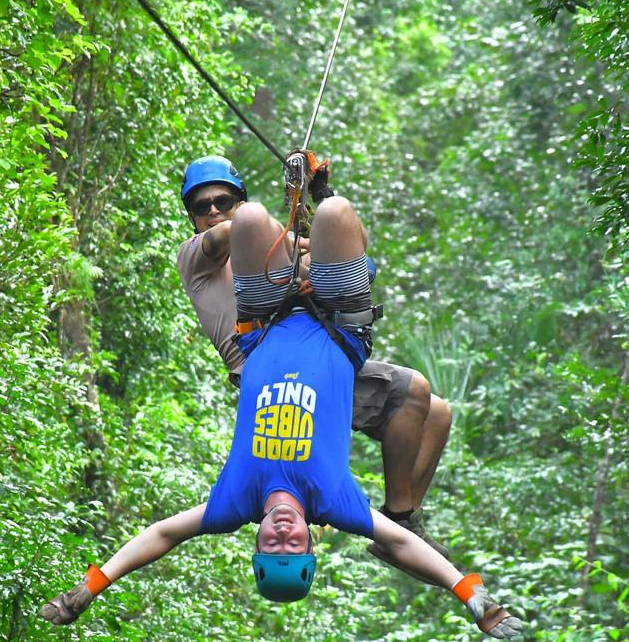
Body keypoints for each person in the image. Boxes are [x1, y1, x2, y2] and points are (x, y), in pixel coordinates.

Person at [41, 171, 521, 639]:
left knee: (251, 219)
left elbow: (163, 534)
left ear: (256, 541)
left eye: (274, 546)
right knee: (336, 212)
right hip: (339, 330)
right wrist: (470, 593)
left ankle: (300, 215)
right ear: (312, 542)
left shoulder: (235, 502)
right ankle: (404, 510)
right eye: (294, 546)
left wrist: (89, 587)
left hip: (263, 325)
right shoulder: (334, 502)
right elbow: (398, 542)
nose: (284, 535)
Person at [174, 155, 453, 569]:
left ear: (238, 200)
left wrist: (320, 196)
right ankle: (397, 524)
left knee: (438, 413)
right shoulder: (194, 257)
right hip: (270, 374)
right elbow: (234, 230)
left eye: (223, 201)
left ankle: (403, 515)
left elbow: (360, 261)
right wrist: (295, 229)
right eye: (202, 207)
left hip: (313, 351)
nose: (213, 211)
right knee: (414, 392)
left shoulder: (272, 254)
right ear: (192, 218)